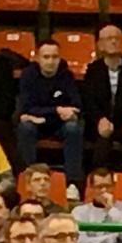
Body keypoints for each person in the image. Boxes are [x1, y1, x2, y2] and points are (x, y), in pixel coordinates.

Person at [17, 41, 84, 188]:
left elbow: (76, 105)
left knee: (73, 128)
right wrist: (57, 110)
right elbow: (26, 108)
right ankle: (27, 179)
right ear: (37, 58)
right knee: (25, 127)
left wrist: (45, 114)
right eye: (46, 57)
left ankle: (72, 184)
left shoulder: (66, 75)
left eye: (55, 57)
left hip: (59, 125)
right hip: (36, 126)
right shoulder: (28, 75)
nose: (51, 61)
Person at [82, 25, 122, 171]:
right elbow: (88, 100)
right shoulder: (93, 70)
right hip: (100, 123)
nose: (113, 42)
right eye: (109, 39)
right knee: (100, 148)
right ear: (100, 45)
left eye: (116, 38)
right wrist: (99, 119)